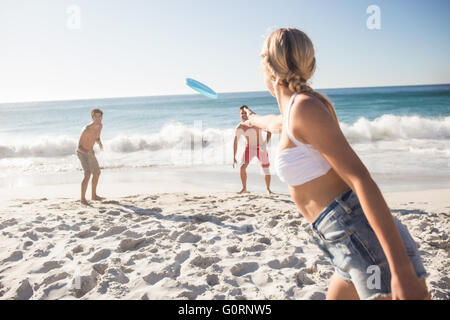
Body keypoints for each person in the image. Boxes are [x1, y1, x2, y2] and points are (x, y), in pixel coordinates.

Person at [242, 27, 430, 300]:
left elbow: (360, 179)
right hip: (341, 243)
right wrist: (252, 119)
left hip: (362, 238)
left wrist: (400, 269)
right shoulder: (295, 110)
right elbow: (276, 123)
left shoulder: (306, 108)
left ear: (267, 67)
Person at [233, 105, 273, 194]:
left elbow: (269, 131)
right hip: (249, 148)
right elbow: (235, 142)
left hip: (261, 148)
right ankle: (244, 188)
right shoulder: (240, 127)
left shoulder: (256, 123)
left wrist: (265, 143)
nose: (243, 115)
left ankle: (268, 189)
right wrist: (234, 156)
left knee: (265, 169)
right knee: (242, 167)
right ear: (239, 115)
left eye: (245, 113)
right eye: (241, 113)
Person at [77, 108, 105, 205]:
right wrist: (87, 152)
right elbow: (79, 147)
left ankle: (94, 195)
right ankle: (82, 199)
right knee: (88, 174)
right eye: (95, 116)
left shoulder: (100, 126)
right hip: (82, 153)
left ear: (101, 117)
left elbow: (97, 136)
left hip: (90, 152)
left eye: (99, 116)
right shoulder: (86, 130)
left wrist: (100, 143)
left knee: (97, 173)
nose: (97, 118)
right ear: (92, 117)